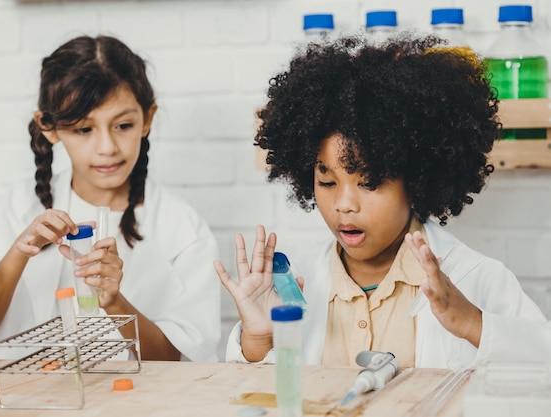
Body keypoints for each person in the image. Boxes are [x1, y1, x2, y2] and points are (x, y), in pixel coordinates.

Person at [214, 33, 548, 369]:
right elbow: (262, 397)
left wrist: (472, 323)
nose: (344, 204)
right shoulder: (296, 283)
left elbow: (541, 368)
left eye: (369, 183)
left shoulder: (476, 278)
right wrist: (259, 340)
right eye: (327, 181)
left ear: (416, 181)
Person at [0, 35, 221, 362]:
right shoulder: (12, 211)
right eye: (84, 129)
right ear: (50, 127)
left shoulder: (182, 229)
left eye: (123, 125)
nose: (107, 147)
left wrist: (115, 302)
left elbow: (178, 359)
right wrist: (19, 252)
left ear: (148, 118)